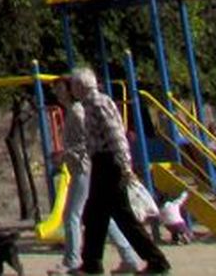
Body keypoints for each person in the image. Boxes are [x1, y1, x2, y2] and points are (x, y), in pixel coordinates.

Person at [68, 67, 169, 275]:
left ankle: (158, 262)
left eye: (73, 85)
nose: (71, 89)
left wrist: (124, 166)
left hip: (109, 164)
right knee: (95, 215)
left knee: (123, 217)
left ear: (81, 85)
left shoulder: (98, 103)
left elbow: (116, 136)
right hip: (101, 162)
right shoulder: (88, 105)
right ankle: (91, 264)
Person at [53, 77, 146, 274]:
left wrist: (66, 154)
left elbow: (89, 142)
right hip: (81, 167)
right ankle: (129, 258)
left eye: (60, 89)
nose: (57, 93)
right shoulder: (71, 111)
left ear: (71, 90)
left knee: (72, 215)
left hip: (84, 168)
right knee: (102, 217)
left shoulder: (78, 111)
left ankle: (72, 261)